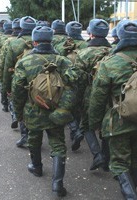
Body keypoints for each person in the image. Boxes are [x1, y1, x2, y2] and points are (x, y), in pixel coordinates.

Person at [88, 20, 137, 199]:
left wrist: (94, 122)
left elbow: (98, 97)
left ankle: (130, 196)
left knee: (119, 162)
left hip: (118, 119)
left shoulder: (110, 63)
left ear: (119, 37)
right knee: (135, 158)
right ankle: (131, 191)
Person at [11, 26, 76, 197]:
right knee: (58, 144)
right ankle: (57, 184)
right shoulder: (63, 61)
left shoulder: (24, 62)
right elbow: (74, 85)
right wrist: (65, 108)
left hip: (33, 110)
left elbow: (17, 91)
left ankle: (37, 167)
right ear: (52, 41)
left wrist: (18, 113)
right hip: (57, 110)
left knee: (34, 138)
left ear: (34, 42)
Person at [74, 18, 112, 171]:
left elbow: (78, 79)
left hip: (91, 94)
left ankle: (97, 155)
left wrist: (78, 98)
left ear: (91, 34)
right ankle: (106, 160)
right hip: (112, 96)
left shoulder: (84, 53)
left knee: (87, 125)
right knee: (107, 125)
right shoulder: (114, 50)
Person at [5, 16, 37, 147]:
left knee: (21, 105)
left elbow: (6, 66)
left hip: (19, 80)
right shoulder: (41, 40)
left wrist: (6, 87)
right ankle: (35, 135)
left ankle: (25, 135)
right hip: (39, 82)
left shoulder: (14, 43)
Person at [56, 21, 88, 151]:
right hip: (84, 83)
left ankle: (75, 131)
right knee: (79, 108)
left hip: (66, 83)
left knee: (66, 107)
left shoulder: (60, 46)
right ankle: (76, 131)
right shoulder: (87, 46)